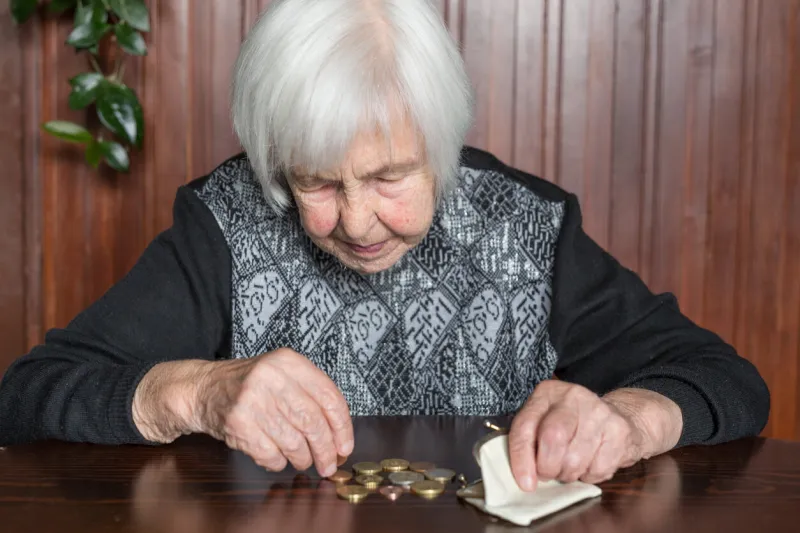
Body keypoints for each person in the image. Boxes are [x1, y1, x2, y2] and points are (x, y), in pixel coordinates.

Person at [0, 0, 768, 492]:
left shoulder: (527, 225)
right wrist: (196, 391)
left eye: (392, 176)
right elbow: (27, 396)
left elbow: (726, 379)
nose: (360, 224)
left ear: (440, 146)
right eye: (317, 184)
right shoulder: (223, 222)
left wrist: (629, 419)